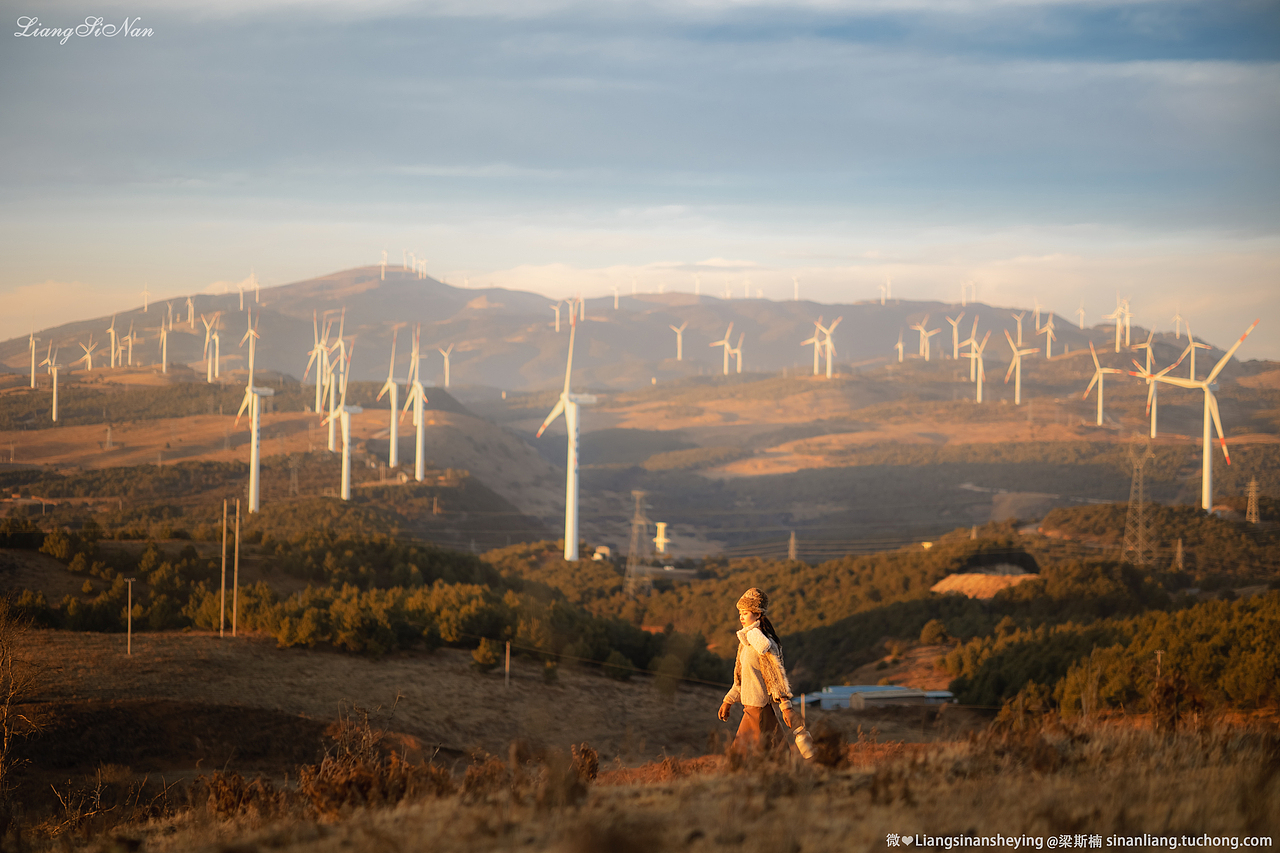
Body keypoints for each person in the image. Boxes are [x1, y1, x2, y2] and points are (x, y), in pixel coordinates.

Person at [718, 588, 814, 758]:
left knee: (742, 757)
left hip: (758, 710)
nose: (741, 617)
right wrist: (728, 701)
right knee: (776, 753)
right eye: (740, 612)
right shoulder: (745, 644)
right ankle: (798, 774)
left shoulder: (764, 644)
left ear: (757, 615)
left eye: (745, 613)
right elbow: (740, 680)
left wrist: (786, 707)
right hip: (753, 708)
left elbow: (775, 677)